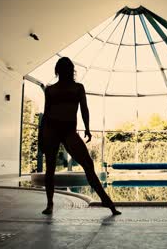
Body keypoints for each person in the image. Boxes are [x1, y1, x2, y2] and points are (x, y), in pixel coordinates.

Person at [39, 57, 121, 216]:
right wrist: (42, 136)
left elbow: (84, 109)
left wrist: (88, 128)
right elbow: (47, 114)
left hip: (66, 131)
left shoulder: (77, 88)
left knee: (86, 164)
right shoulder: (51, 90)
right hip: (53, 130)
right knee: (52, 169)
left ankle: (105, 200)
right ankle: (50, 204)